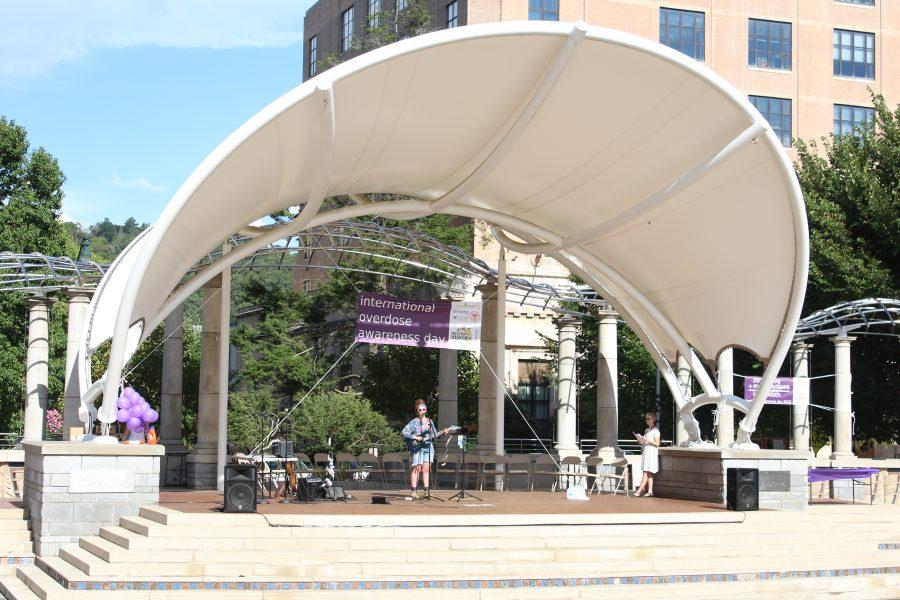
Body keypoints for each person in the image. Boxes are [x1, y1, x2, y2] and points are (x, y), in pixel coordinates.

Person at [401, 400, 450, 499]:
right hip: (417, 448)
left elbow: (435, 435)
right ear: (417, 411)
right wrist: (415, 437)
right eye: (420, 409)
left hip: (428, 447)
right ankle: (414, 491)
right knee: (416, 468)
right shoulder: (414, 422)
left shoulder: (430, 421)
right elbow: (404, 432)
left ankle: (426, 491)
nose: (422, 411)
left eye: (424, 409)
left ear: (426, 410)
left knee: (426, 469)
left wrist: (444, 433)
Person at [635, 412, 660, 497]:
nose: (646, 420)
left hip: (651, 454)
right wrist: (640, 440)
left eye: (648, 419)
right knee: (649, 473)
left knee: (646, 472)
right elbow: (645, 441)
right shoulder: (647, 430)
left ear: (653, 420)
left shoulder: (656, 431)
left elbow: (657, 444)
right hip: (646, 452)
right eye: (646, 419)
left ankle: (639, 490)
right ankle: (650, 491)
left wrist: (648, 440)